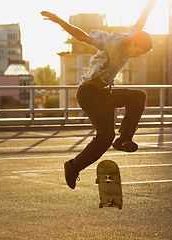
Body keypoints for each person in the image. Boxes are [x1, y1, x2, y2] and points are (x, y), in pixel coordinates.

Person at [41, 0, 156, 189]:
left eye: (140, 54)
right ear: (133, 42)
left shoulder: (132, 35)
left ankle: (124, 138)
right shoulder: (110, 42)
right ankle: (73, 166)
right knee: (104, 137)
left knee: (138, 96)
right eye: (137, 51)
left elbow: (143, 18)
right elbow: (82, 36)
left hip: (104, 93)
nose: (136, 56)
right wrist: (58, 20)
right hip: (89, 94)